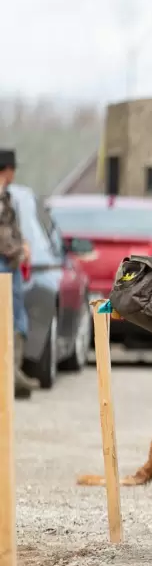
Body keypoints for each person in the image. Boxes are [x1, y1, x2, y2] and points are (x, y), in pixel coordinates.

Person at [0, 149, 38, 399]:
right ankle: (10, 375)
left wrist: (23, 245)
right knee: (12, 317)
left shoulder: (7, 195)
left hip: (9, 261)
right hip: (4, 262)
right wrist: (18, 250)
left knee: (16, 317)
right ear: (7, 169)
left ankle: (12, 372)